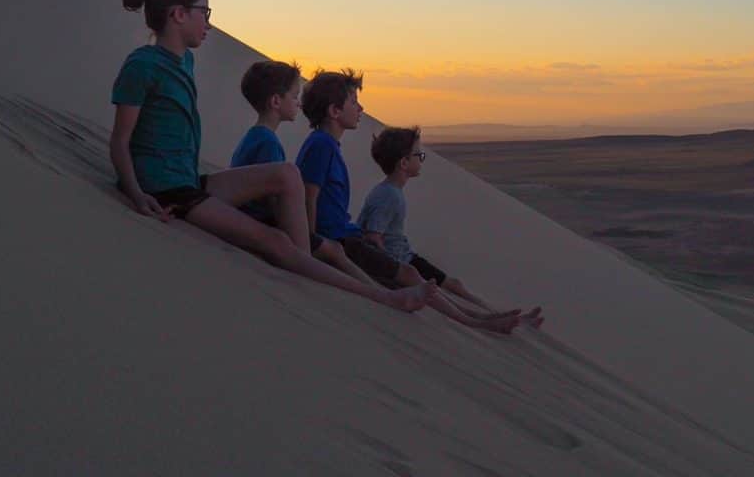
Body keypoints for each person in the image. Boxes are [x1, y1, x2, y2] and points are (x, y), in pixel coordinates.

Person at [108, 0, 433, 313]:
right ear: (178, 14)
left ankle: (304, 262)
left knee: (288, 174)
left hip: (188, 180)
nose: (208, 23)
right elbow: (120, 140)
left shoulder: (185, 61)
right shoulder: (142, 65)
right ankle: (379, 296)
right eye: (204, 12)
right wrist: (136, 194)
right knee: (275, 240)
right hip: (165, 191)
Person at [296, 69, 523, 334]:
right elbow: (308, 196)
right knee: (410, 276)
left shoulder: (327, 145)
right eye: (354, 102)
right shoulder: (322, 145)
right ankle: (474, 322)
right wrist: (311, 244)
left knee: (410, 275)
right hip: (339, 240)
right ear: (335, 111)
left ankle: (477, 316)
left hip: (346, 237)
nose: (361, 108)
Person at [362, 126, 543, 327]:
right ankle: (477, 320)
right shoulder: (387, 195)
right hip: (400, 261)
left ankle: (497, 314)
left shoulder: (392, 191)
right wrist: (392, 268)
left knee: (454, 285)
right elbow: (372, 235)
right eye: (418, 155)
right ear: (404, 163)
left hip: (406, 256)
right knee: (438, 294)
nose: (421, 159)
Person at [230, 59, 377, 285]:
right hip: (265, 225)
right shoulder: (269, 143)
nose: (298, 104)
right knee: (335, 252)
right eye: (294, 96)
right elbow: (285, 199)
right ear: (276, 101)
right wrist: (307, 239)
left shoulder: (258, 137)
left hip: (268, 223)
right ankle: (372, 291)